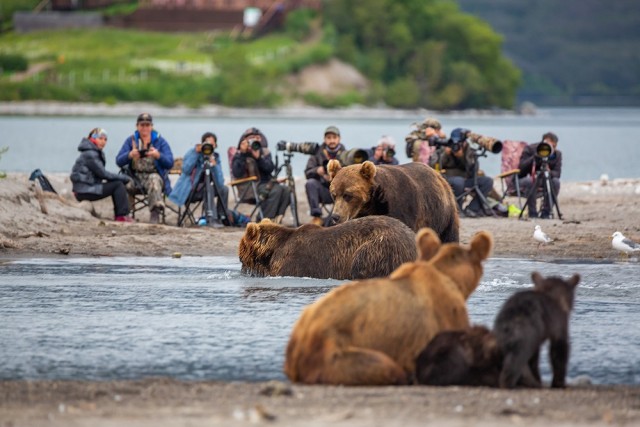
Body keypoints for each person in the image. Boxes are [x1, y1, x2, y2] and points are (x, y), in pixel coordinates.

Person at [115, 113, 174, 224]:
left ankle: (155, 213)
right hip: (134, 176)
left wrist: (158, 155)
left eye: (147, 125)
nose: (145, 128)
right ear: (137, 126)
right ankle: (124, 213)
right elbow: (118, 161)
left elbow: (170, 163)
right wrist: (130, 155)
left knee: (154, 179)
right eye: (142, 125)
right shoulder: (130, 141)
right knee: (120, 182)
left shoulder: (160, 142)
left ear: (152, 126)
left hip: (154, 176)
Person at [70, 128, 133, 222]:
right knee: (118, 184)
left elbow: (101, 174)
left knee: (116, 183)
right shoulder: (90, 154)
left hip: (84, 188)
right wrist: (126, 178)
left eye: (105, 139)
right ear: (92, 139)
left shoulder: (92, 151)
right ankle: (121, 216)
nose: (103, 141)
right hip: (83, 190)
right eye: (100, 138)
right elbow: (103, 174)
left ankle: (120, 215)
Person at [429, 128, 494, 217]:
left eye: (459, 143)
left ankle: (472, 209)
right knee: (458, 181)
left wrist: (462, 157)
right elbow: (433, 166)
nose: (456, 146)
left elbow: (473, 172)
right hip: (447, 180)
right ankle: (457, 209)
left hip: (465, 179)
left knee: (487, 181)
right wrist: (445, 154)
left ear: (463, 142)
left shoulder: (468, 149)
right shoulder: (445, 147)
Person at [169, 132, 230, 226]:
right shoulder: (194, 153)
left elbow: (220, 183)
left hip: (205, 190)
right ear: (202, 144)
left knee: (224, 189)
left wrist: (214, 165)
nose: (209, 146)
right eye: (207, 143)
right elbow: (186, 169)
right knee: (207, 187)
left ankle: (221, 217)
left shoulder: (215, 157)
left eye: (212, 144)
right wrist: (195, 153)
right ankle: (211, 218)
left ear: (215, 145)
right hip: (190, 191)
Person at [231, 127, 290, 223]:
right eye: (250, 139)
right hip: (250, 186)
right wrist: (243, 154)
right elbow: (237, 173)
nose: (253, 141)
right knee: (276, 190)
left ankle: (277, 217)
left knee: (287, 190)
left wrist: (259, 157)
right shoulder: (239, 155)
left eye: (255, 138)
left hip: (267, 184)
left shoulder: (264, 152)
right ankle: (266, 219)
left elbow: (270, 169)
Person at [304, 125, 347, 226]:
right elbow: (307, 172)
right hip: (324, 190)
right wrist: (317, 171)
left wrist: (336, 176)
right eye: (329, 138)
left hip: (340, 193)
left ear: (339, 139)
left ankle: (336, 219)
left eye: (334, 138)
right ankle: (316, 216)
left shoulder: (346, 154)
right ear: (324, 139)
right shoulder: (317, 153)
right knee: (310, 183)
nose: (331, 140)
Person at [518, 131, 562, 219]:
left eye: (553, 146)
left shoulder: (557, 154)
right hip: (527, 179)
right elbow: (521, 169)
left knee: (556, 182)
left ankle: (546, 212)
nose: (550, 149)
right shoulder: (530, 149)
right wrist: (535, 157)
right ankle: (532, 213)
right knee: (531, 181)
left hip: (545, 180)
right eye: (548, 145)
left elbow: (557, 173)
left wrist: (549, 171)